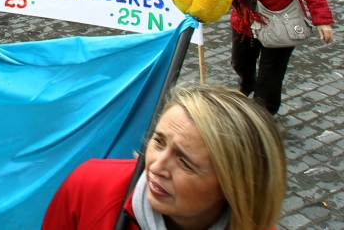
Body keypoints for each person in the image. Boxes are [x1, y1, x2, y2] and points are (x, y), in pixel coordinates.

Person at [42, 84, 286, 230]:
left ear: (234, 186)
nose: (156, 166)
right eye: (158, 142)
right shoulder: (90, 185)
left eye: (185, 162)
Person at [230, 0, 334, 115]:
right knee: (240, 63)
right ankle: (248, 84)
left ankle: (262, 117)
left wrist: (322, 20)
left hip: (279, 25)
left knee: (269, 77)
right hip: (245, 23)